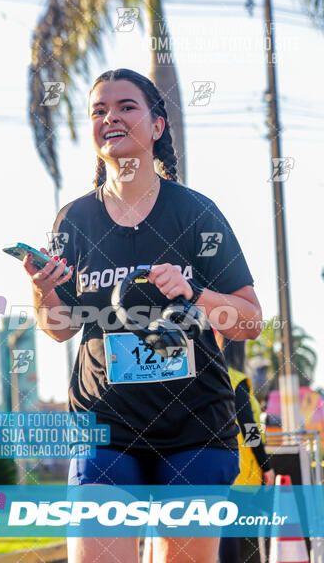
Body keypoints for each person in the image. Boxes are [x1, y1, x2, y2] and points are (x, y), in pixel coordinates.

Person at [23, 68, 263, 563]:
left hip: (194, 430)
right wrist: (42, 291)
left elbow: (249, 320)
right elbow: (60, 326)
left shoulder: (196, 214)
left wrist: (195, 293)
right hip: (104, 428)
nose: (110, 116)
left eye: (126, 107)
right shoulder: (74, 220)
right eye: (98, 110)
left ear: (157, 126)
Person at [215, 334, 275, 563]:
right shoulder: (236, 379)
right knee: (236, 535)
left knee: (222, 532)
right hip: (240, 473)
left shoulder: (208, 377)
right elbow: (249, 429)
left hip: (211, 468)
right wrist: (266, 466)